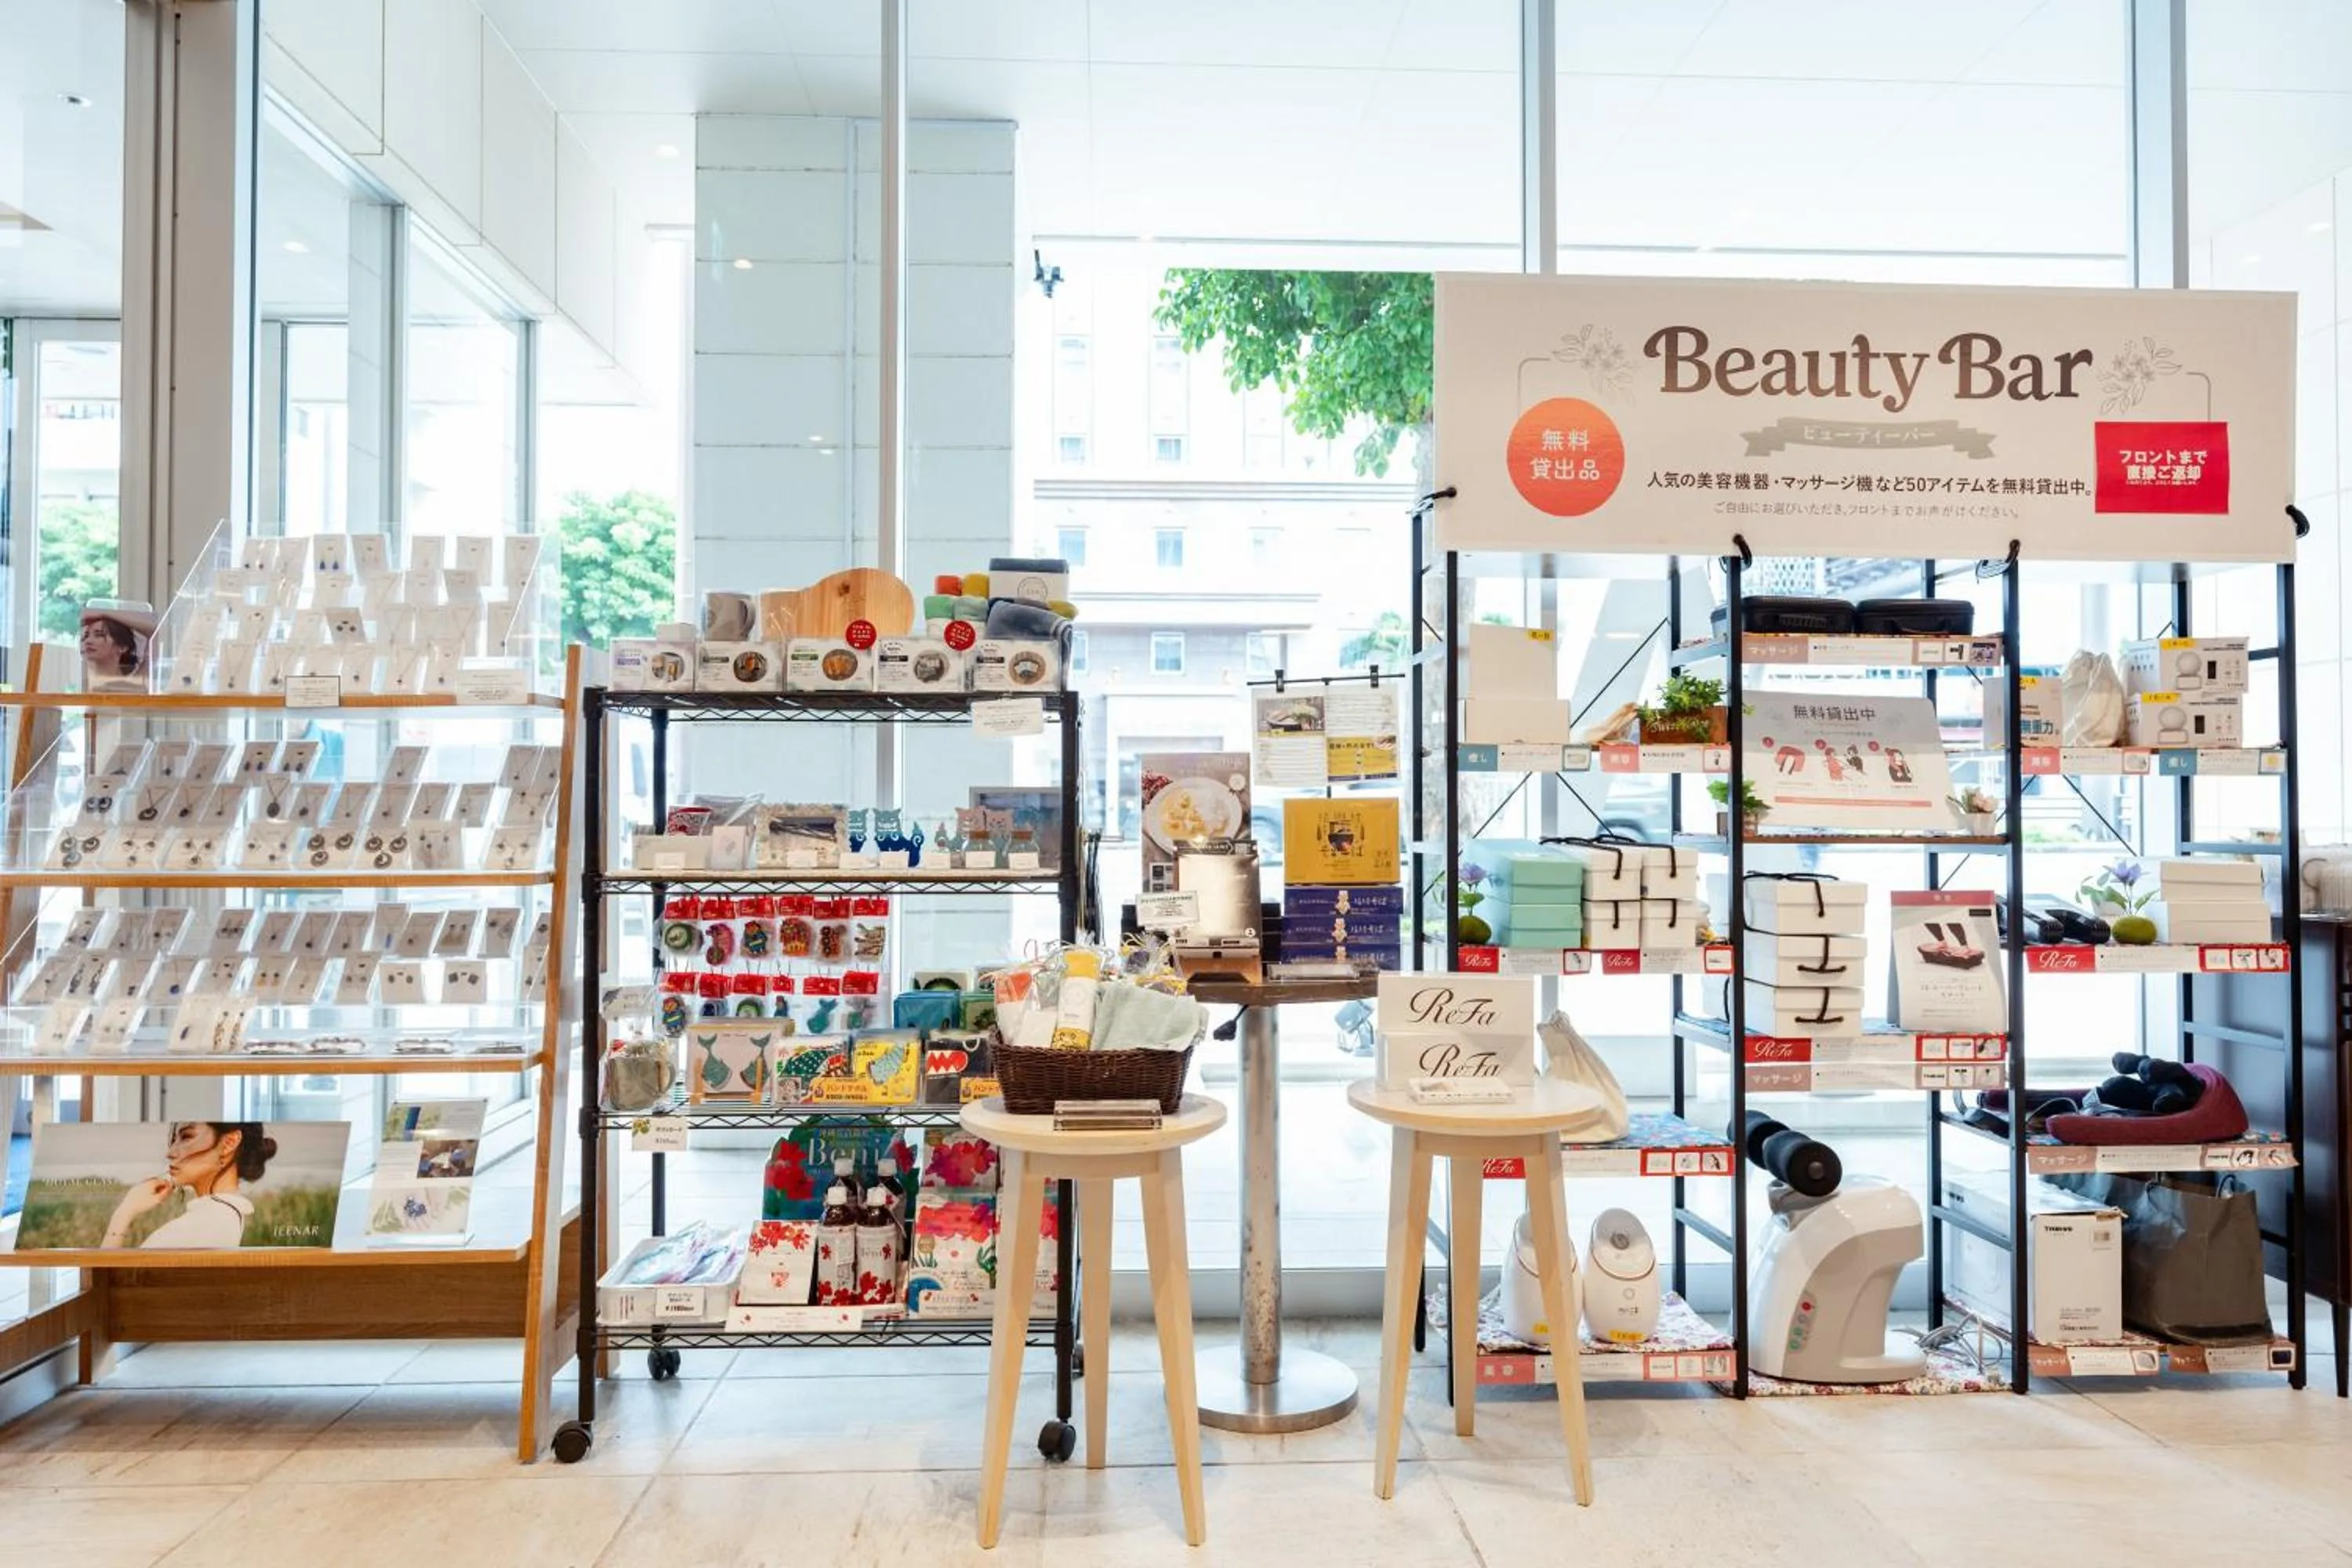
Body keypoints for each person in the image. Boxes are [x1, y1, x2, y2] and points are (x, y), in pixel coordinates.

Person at [99, 1121, 278, 1248]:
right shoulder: (226, 1216)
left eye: (186, 1137)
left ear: (229, 1142)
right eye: (174, 1140)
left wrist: (125, 1211)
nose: (170, 1153)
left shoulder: (203, 1225)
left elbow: (112, 1287)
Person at [80, 612, 143, 679]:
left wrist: (106, 614)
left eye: (99, 635)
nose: (88, 641)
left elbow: (153, 630)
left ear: (122, 647)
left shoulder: (134, 682)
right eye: (86, 636)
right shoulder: (79, 680)